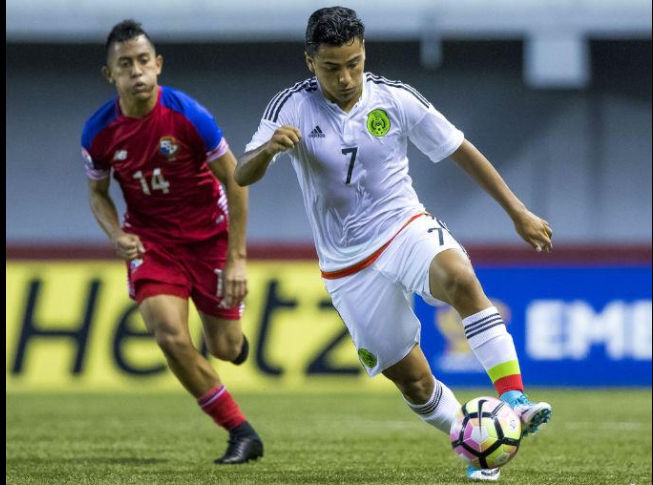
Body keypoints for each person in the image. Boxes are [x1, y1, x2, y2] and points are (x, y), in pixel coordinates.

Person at [235, 6, 551, 481]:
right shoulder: (291, 107)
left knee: (460, 278)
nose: (345, 78)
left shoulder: (394, 98)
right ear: (309, 62)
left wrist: (517, 212)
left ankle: (513, 400)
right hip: (347, 266)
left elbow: (461, 150)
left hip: (403, 227)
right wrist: (267, 149)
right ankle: (476, 444)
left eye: (354, 63)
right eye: (332, 67)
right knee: (415, 382)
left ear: (364, 54)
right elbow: (241, 174)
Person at [81, 19, 263, 464]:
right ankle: (240, 431)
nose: (137, 72)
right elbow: (97, 194)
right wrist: (117, 234)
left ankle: (234, 346)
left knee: (224, 347)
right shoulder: (98, 134)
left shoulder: (188, 116)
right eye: (126, 65)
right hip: (152, 245)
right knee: (169, 335)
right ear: (112, 76)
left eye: (144, 61)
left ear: (158, 64)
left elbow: (236, 183)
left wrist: (237, 259)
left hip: (209, 241)